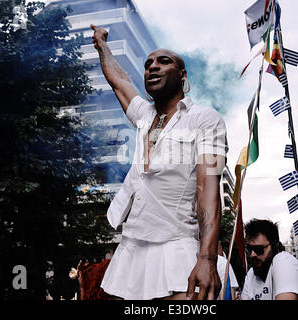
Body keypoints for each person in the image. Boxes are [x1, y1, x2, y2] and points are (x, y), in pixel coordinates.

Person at [90, 25, 228, 300]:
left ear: (182, 75)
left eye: (164, 61)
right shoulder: (144, 114)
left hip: (176, 248)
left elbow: (208, 191)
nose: (152, 67)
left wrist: (207, 258)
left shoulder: (205, 119)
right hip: (130, 247)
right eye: (148, 63)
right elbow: (119, 81)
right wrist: (102, 45)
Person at [241, 219, 298, 300]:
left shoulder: (283, 260)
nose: (252, 254)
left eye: (258, 249)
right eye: (249, 249)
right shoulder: (251, 274)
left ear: (274, 245)